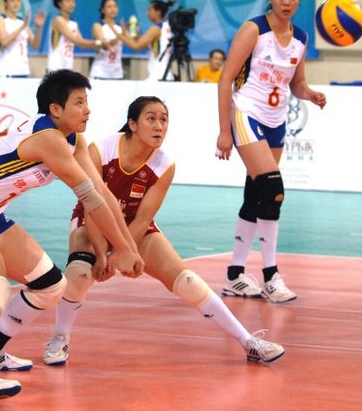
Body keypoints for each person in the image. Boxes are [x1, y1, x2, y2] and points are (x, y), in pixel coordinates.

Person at [42, 96, 285, 367]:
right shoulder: (102, 149)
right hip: (94, 220)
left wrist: (123, 252)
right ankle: (59, 337)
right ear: (133, 124)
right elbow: (92, 203)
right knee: (81, 273)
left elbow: (143, 218)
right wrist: (102, 254)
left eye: (164, 120)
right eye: (151, 119)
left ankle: (248, 341)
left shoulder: (164, 165)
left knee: (188, 282)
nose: (159, 126)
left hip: (134, 225)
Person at [0, 69, 144, 403]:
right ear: (55, 109)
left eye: (87, 101)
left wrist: (123, 247)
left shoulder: (73, 140)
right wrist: (122, 248)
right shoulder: (48, 139)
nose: (87, 110)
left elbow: (103, 193)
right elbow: (90, 199)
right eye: (79, 102)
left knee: (51, 285)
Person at [216, 0, 327, 303]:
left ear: (299, 0)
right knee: (273, 191)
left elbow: (297, 83)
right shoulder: (254, 29)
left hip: (276, 122)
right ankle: (271, 276)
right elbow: (225, 79)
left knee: (257, 194)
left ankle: (234, 275)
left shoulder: (301, 37)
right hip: (246, 113)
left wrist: (310, 94)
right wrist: (224, 131)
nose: (287, 2)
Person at [114, 0, 175, 81]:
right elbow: (150, 46)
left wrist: (120, 35)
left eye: (150, 10)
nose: (147, 13)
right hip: (166, 73)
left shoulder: (155, 29)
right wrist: (134, 34)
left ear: (158, 12)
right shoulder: (167, 26)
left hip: (158, 74)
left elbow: (136, 46)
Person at [0, 0, 44, 78]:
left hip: (23, 70)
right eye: (12, 1)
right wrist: (21, 27)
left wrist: (38, 28)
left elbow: (35, 45)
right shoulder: (1, 19)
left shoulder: (21, 21)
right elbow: (4, 42)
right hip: (7, 70)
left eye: (18, 0)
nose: (16, 3)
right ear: (5, 3)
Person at [47, 0, 99, 72]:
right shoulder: (58, 20)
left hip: (68, 67)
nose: (71, 4)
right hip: (55, 67)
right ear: (60, 3)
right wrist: (98, 42)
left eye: (73, 1)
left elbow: (82, 45)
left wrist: (100, 43)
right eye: (68, 1)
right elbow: (75, 40)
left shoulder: (74, 23)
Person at [89, 0, 125, 80]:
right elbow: (104, 45)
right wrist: (121, 36)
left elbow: (133, 44)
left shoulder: (120, 28)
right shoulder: (98, 26)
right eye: (109, 7)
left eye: (115, 6)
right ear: (103, 10)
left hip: (117, 73)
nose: (113, 9)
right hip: (100, 72)